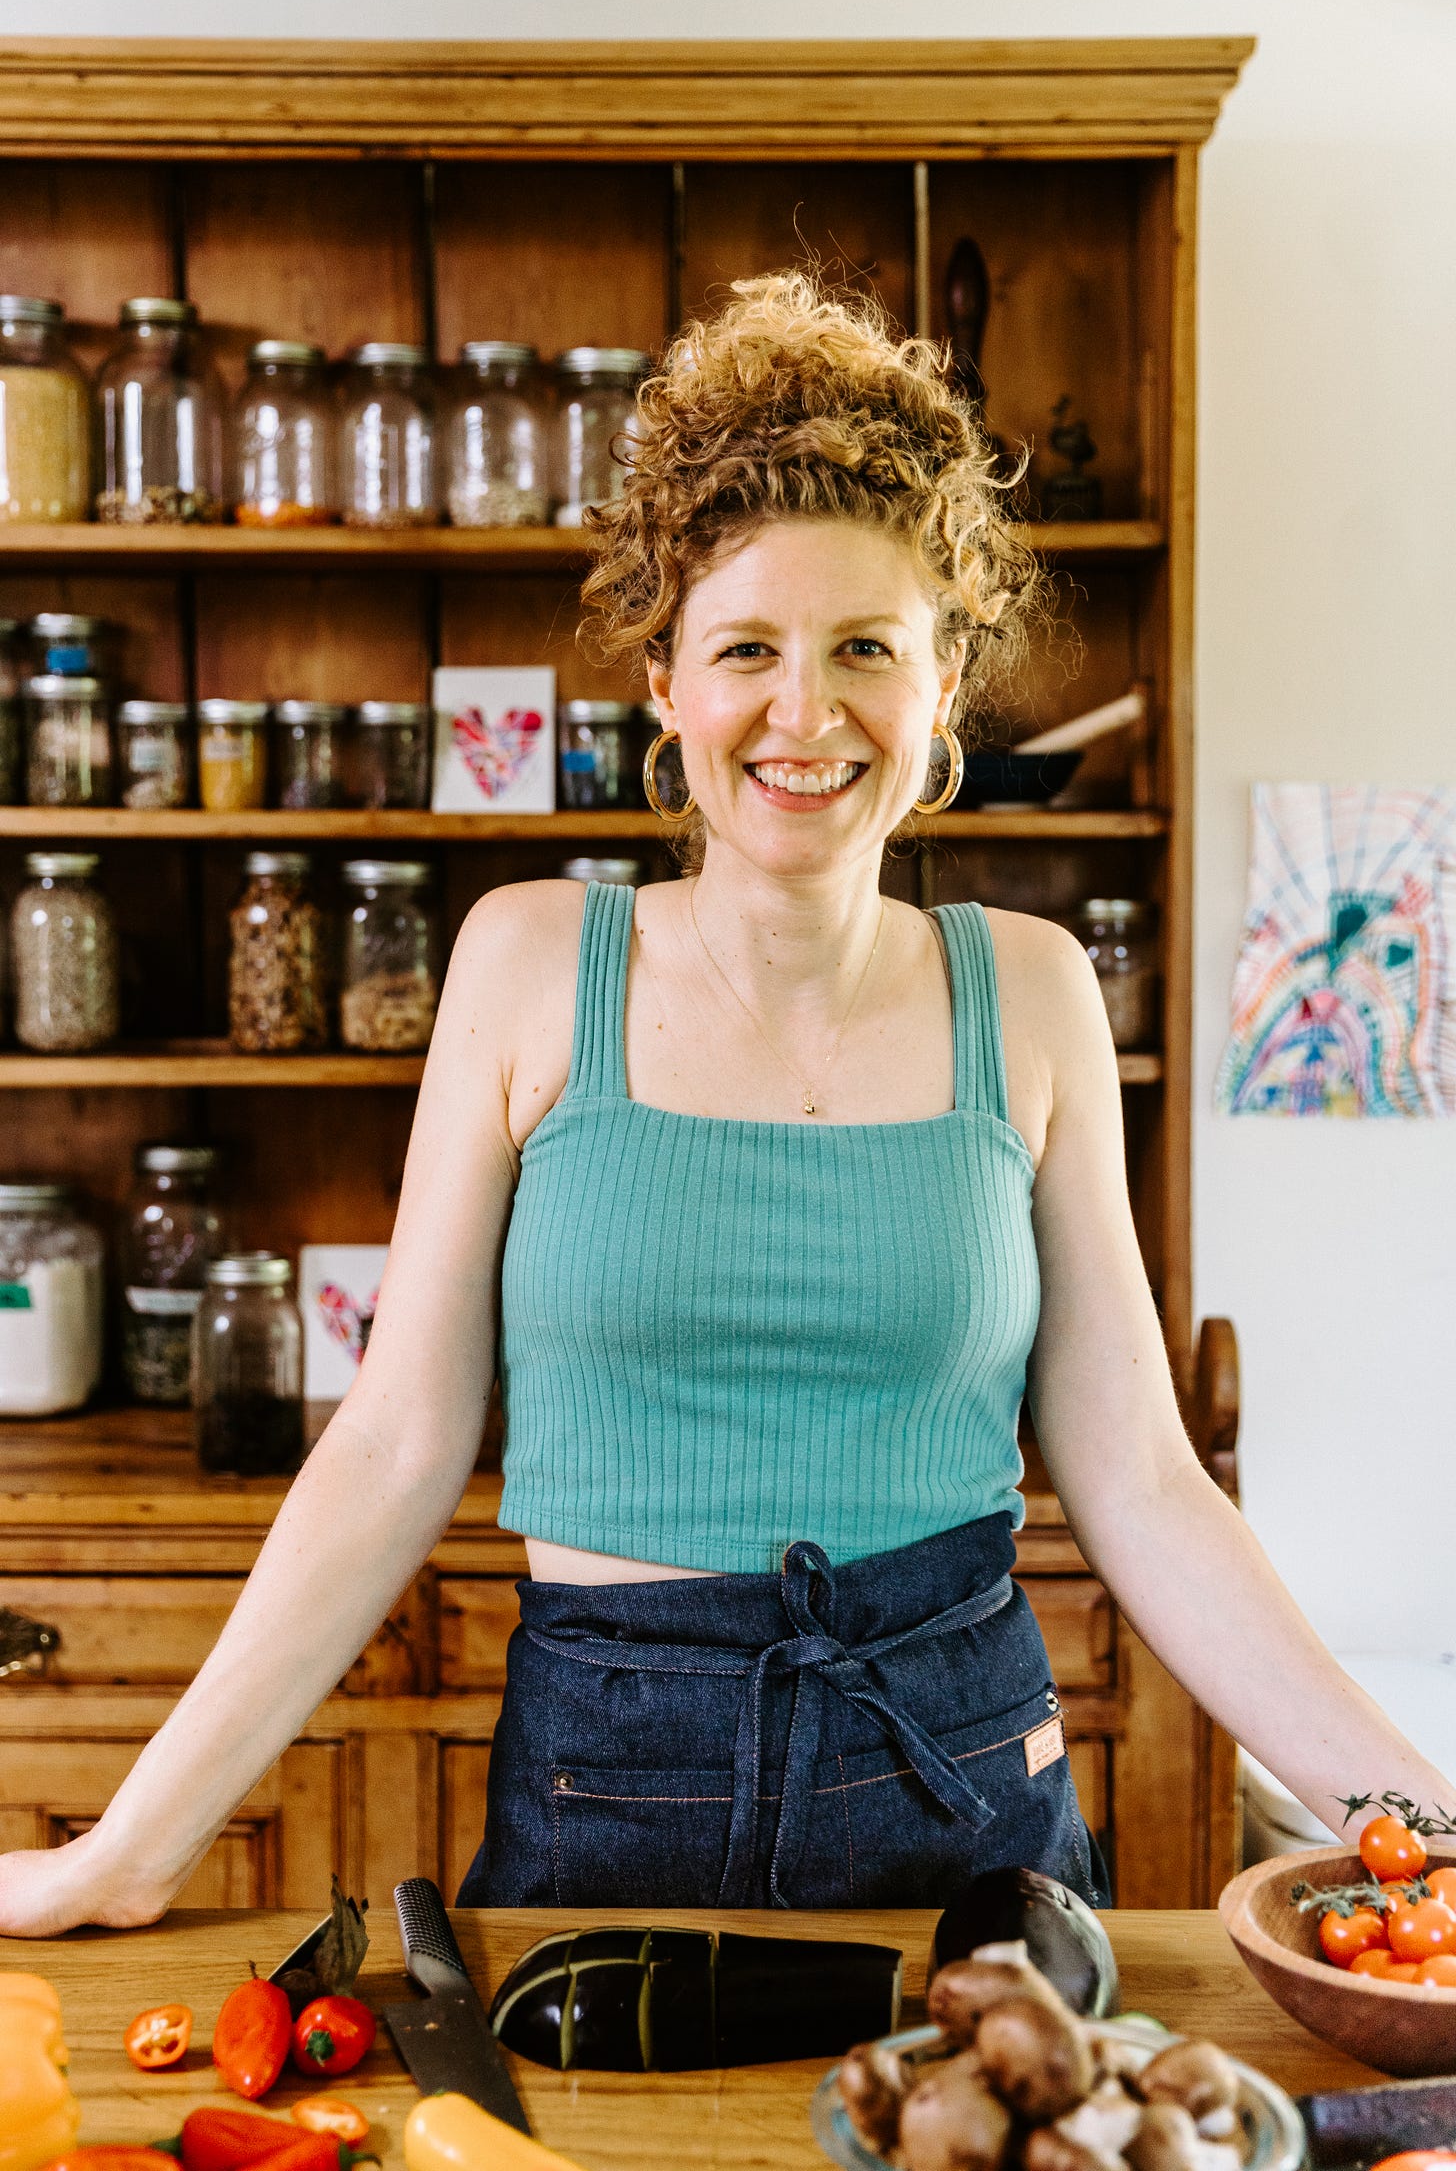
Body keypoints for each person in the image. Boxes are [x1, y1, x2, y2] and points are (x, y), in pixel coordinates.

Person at [1, 273, 1449, 1935]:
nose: (805, 711)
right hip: (609, 1793)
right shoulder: (531, 965)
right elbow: (394, 1448)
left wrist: (1426, 1824)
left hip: (970, 1792)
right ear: (664, 683)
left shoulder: (1034, 990)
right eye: (746, 647)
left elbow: (1138, 1474)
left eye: (867, 650)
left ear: (944, 690)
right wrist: (134, 1849)